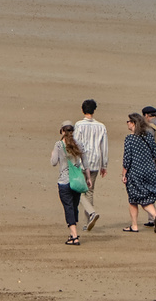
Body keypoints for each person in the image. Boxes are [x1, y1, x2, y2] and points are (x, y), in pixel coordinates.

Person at [120, 113, 156, 233]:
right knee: (145, 198)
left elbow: (127, 159)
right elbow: (155, 153)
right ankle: (155, 216)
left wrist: (124, 174)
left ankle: (134, 225)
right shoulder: (148, 136)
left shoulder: (130, 138)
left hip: (135, 172)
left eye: (128, 121)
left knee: (133, 199)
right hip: (150, 171)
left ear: (133, 123)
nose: (127, 123)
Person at [72, 100, 108, 230]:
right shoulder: (101, 126)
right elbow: (104, 147)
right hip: (95, 161)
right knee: (89, 191)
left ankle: (91, 215)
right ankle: (88, 222)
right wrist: (104, 165)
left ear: (83, 110)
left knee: (76, 190)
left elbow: (75, 143)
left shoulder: (79, 125)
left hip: (81, 162)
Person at [51, 122, 85, 245]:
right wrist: (88, 178)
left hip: (64, 181)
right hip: (77, 181)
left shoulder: (59, 145)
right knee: (74, 206)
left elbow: (53, 162)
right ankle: (73, 233)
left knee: (68, 207)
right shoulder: (79, 145)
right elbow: (85, 163)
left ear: (62, 131)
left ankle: (74, 236)